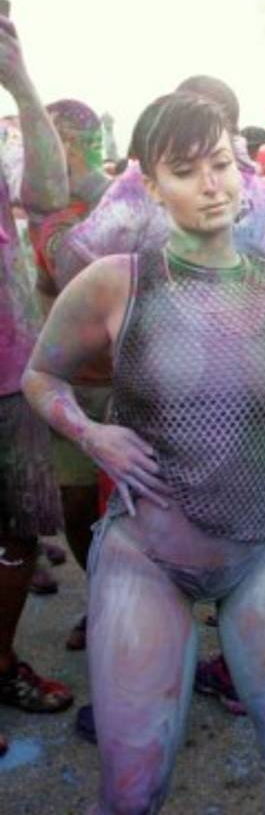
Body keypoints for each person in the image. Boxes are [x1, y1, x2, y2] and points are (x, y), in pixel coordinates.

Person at [22, 91, 265, 812]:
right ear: (151, 185)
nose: (212, 184)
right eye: (186, 171)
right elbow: (41, 376)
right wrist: (92, 433)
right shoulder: (118, 282)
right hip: (148, 554)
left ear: (242, 169)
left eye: (221, 163)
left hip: (264, 542)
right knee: (133, 788)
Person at [45, 74, 265, 290]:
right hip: (256, 346)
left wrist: (51, 223)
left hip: (158, 344)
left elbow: (71, 270)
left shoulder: (141, 183)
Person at [0, 9, 74, 755]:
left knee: (19, 532)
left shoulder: (5, 134)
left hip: (9, 374)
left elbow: (49, 195)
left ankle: (1, 663)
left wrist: (20, 83)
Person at [25, 98, 113, 650]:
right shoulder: (45, 218)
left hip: (128, 387)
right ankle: (103, 600)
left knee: (131, 507)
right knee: (76, 506)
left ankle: (143, 606)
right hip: (70, 389)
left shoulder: (122, 202)